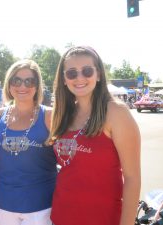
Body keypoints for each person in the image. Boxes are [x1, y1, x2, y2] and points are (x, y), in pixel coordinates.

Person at [49, 46, 141, 225]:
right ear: (64, 79)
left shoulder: (116, 112)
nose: (80, 78)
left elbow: (132, 178)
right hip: (61, 216)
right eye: (72, 73)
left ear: (98, 75)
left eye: (87, 71)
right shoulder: (64, 114)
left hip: (103, 218)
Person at [0, 59, 57, 225]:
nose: (22, 86)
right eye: (16, 80)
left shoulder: (50, 116)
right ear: (9, 84)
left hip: (42, 206)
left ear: (37, 85)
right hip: (3, 204)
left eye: (29, 81)